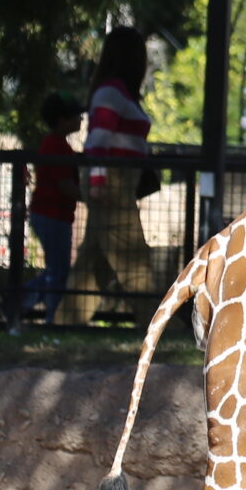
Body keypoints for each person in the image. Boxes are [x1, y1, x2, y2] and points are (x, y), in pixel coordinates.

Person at [67, 27, 158, 323]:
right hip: (111, 183)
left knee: (93, 266)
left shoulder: (115, 92)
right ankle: (159, 328)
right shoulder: (111, 93)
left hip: (116, 182)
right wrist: (97, 182)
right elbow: (97, 141)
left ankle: (64, 324)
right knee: (134, 261)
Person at [15, 93, 84, 325]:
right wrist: (94, 198)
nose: (80, 119)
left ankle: (22, 304)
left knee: (58, 269)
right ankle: (44, 314)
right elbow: (64, 185)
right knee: (58, 272)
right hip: (51, 215)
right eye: (75, 116)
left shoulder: (57, 144)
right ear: (61, 119)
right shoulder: (55, 146)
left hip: (54, 215)